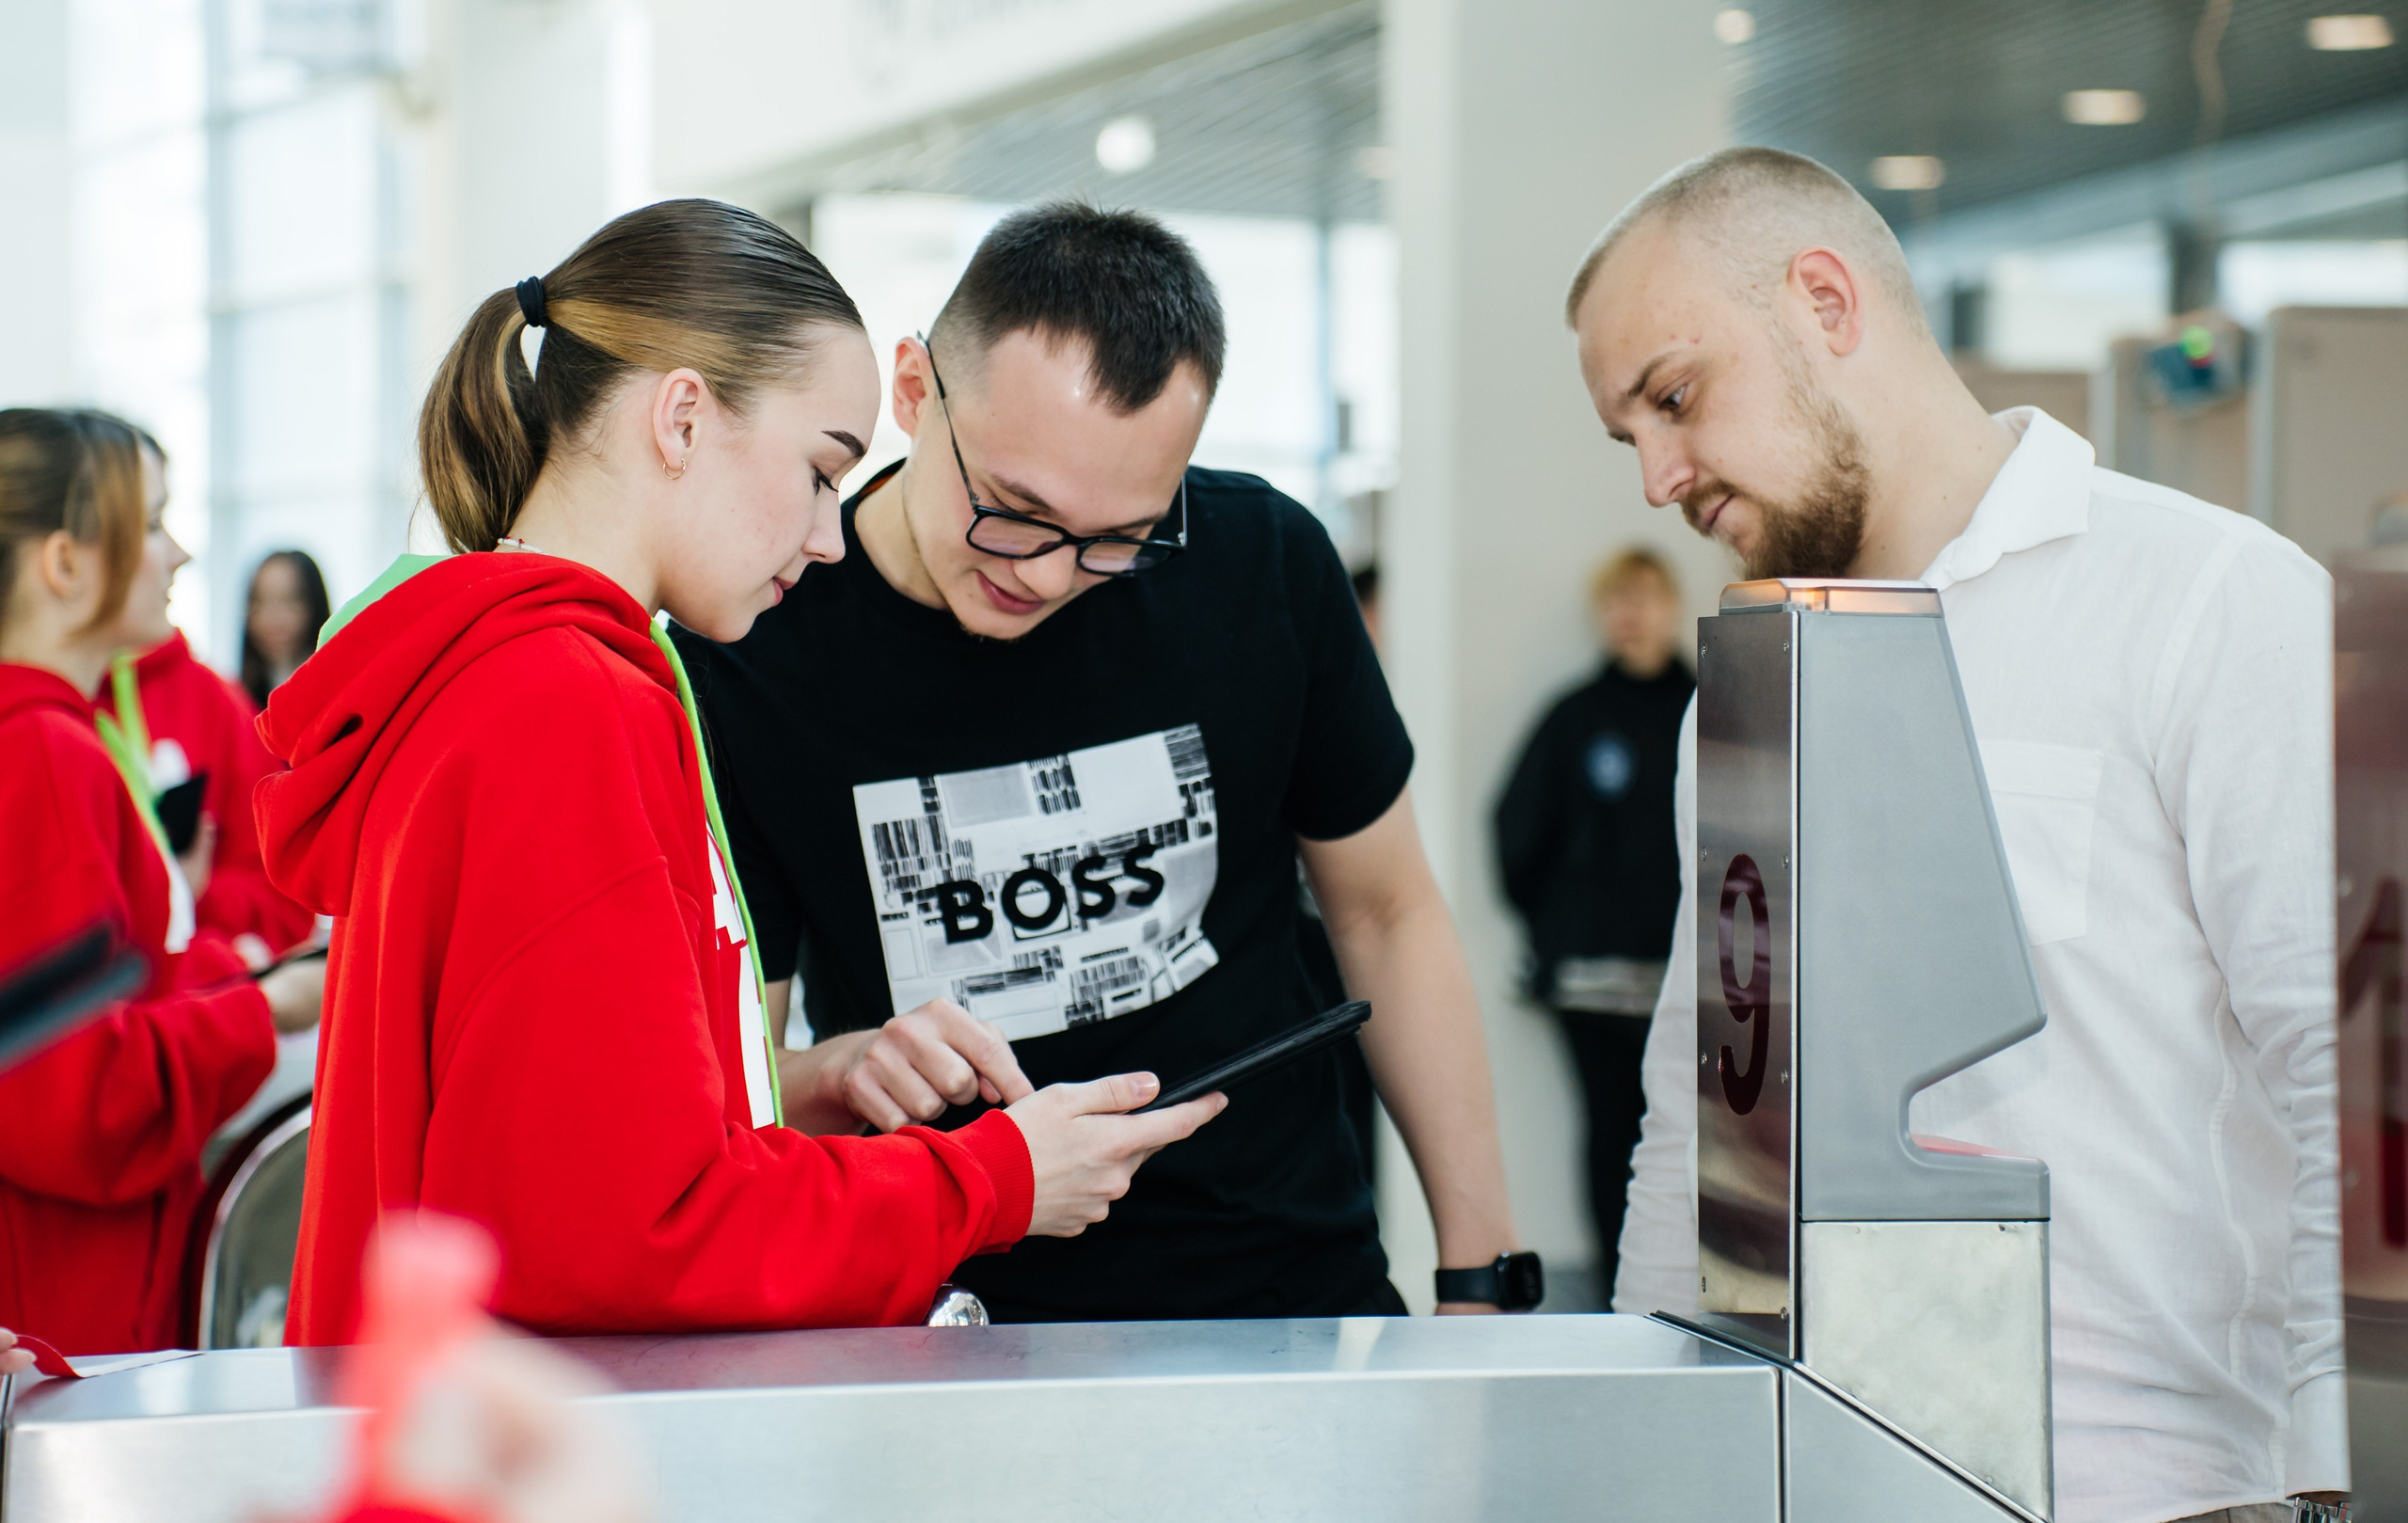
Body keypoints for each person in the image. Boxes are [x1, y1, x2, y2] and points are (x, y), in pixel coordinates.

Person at [256, 198, 1221, 1346]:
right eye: (821, 473)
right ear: (680, 418)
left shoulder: (521, 676)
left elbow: (560, 1148)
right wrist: (996, 1177)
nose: (828, 537)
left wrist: (810, 1083)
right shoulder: (560, 704)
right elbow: (628, 1235)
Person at [1568, 148, 2344, 1522]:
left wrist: (2324, 1471)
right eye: (1630, 435)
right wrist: (1644, 1455)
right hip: (1809, 1466)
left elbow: (2328, 1071)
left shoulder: (2208, 596)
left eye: (1674, 398)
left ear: (1825, 300)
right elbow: (1705, 1116)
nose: (1659, 477)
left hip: (2148, 1484)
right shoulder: (1752, 683)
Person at [675, 201, 1528, 1325]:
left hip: (1282, 1287)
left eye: (1120, 535)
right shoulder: (756, 650)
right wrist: (839, 1069)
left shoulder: (1258, 565)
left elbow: (1387, 914)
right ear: (916, 393)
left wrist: (1480, 1269)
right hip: (950, 1314)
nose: (1048, 571)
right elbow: (730, 1090)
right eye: (1015, 512)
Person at [0, 407, 324, 1355]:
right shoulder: (45, 758)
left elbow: (93, 1005)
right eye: (150, 524)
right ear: (65, 564)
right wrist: (272, 1011)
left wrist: (241, 977)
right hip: (65, 1304)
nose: (177, 554)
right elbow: (74, 1095)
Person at [1493, 547, 1692, 1303]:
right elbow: (1514, 830)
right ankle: (1622, 1296)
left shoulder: (1715, 706)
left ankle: (1689, 1296)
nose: (1630, 614)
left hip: (1693, 982)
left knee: (1690, 1143)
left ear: (1671, 606)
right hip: (1592, 988)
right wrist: (1560, 927)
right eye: (1616, 600)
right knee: (1614, 1139)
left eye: (1644, 597)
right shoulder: (1573, 718)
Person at [95, 548, 321, 965]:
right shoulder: (50, 721)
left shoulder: (218, 702)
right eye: (151, 523)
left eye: (291, 602)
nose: (180, 554)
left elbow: (286, 888)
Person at [242, 548, 330, 708]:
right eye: (260, 602)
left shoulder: (338, 694)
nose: (273, 619)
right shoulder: (238, 699)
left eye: (290, 602)